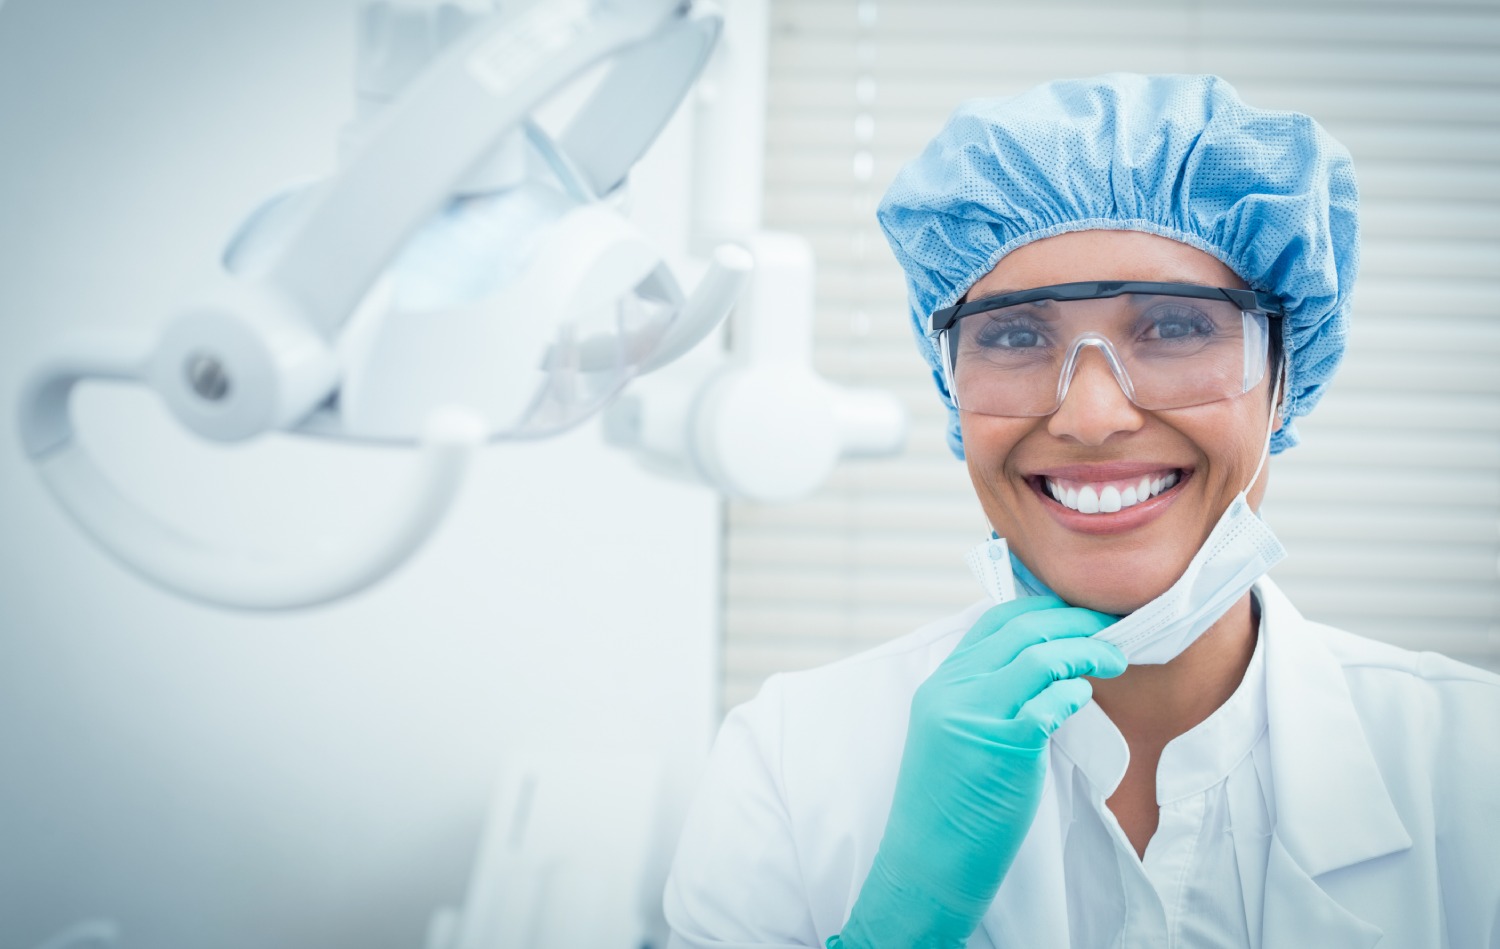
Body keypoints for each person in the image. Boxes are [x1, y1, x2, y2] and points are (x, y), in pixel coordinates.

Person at [662, 73, 1500, 948]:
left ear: (1283, 379)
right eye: (1017, 337)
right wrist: (895, 927)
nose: (1091, 415)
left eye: (1175, 326)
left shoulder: (1474, 762)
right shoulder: (790, 761)